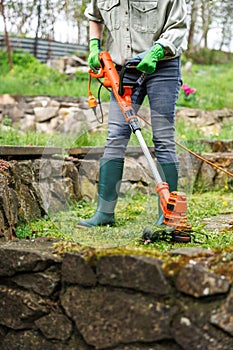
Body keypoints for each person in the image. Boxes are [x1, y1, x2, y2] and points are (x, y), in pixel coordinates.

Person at [78, 0, 188, 227]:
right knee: (116, 137)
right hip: (122, 69)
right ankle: (104, 213)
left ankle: (170, 214)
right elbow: (95, 16)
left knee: (163, 138)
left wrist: (157, 51)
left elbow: (178, 25)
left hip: (163, 66)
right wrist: (94, 45)